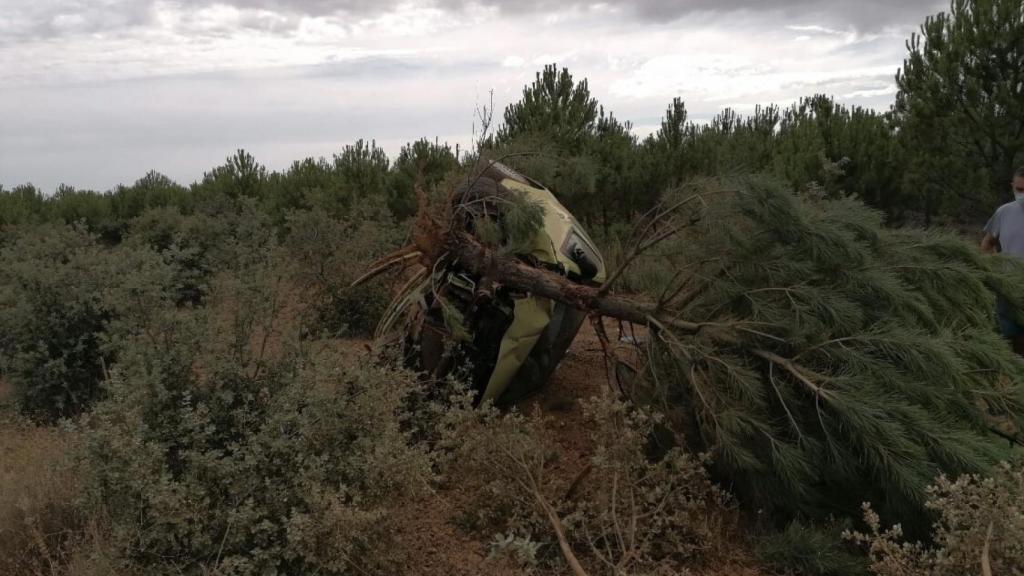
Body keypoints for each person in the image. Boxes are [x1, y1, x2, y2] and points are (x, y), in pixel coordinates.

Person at [981, 166, 1024, 353]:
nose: (1023, 194)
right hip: (1009, 290)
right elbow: (986, 245)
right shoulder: (1004, 212)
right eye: (1020, 190)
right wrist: (998, 273)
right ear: (1012, 186)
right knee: (1008, 342)